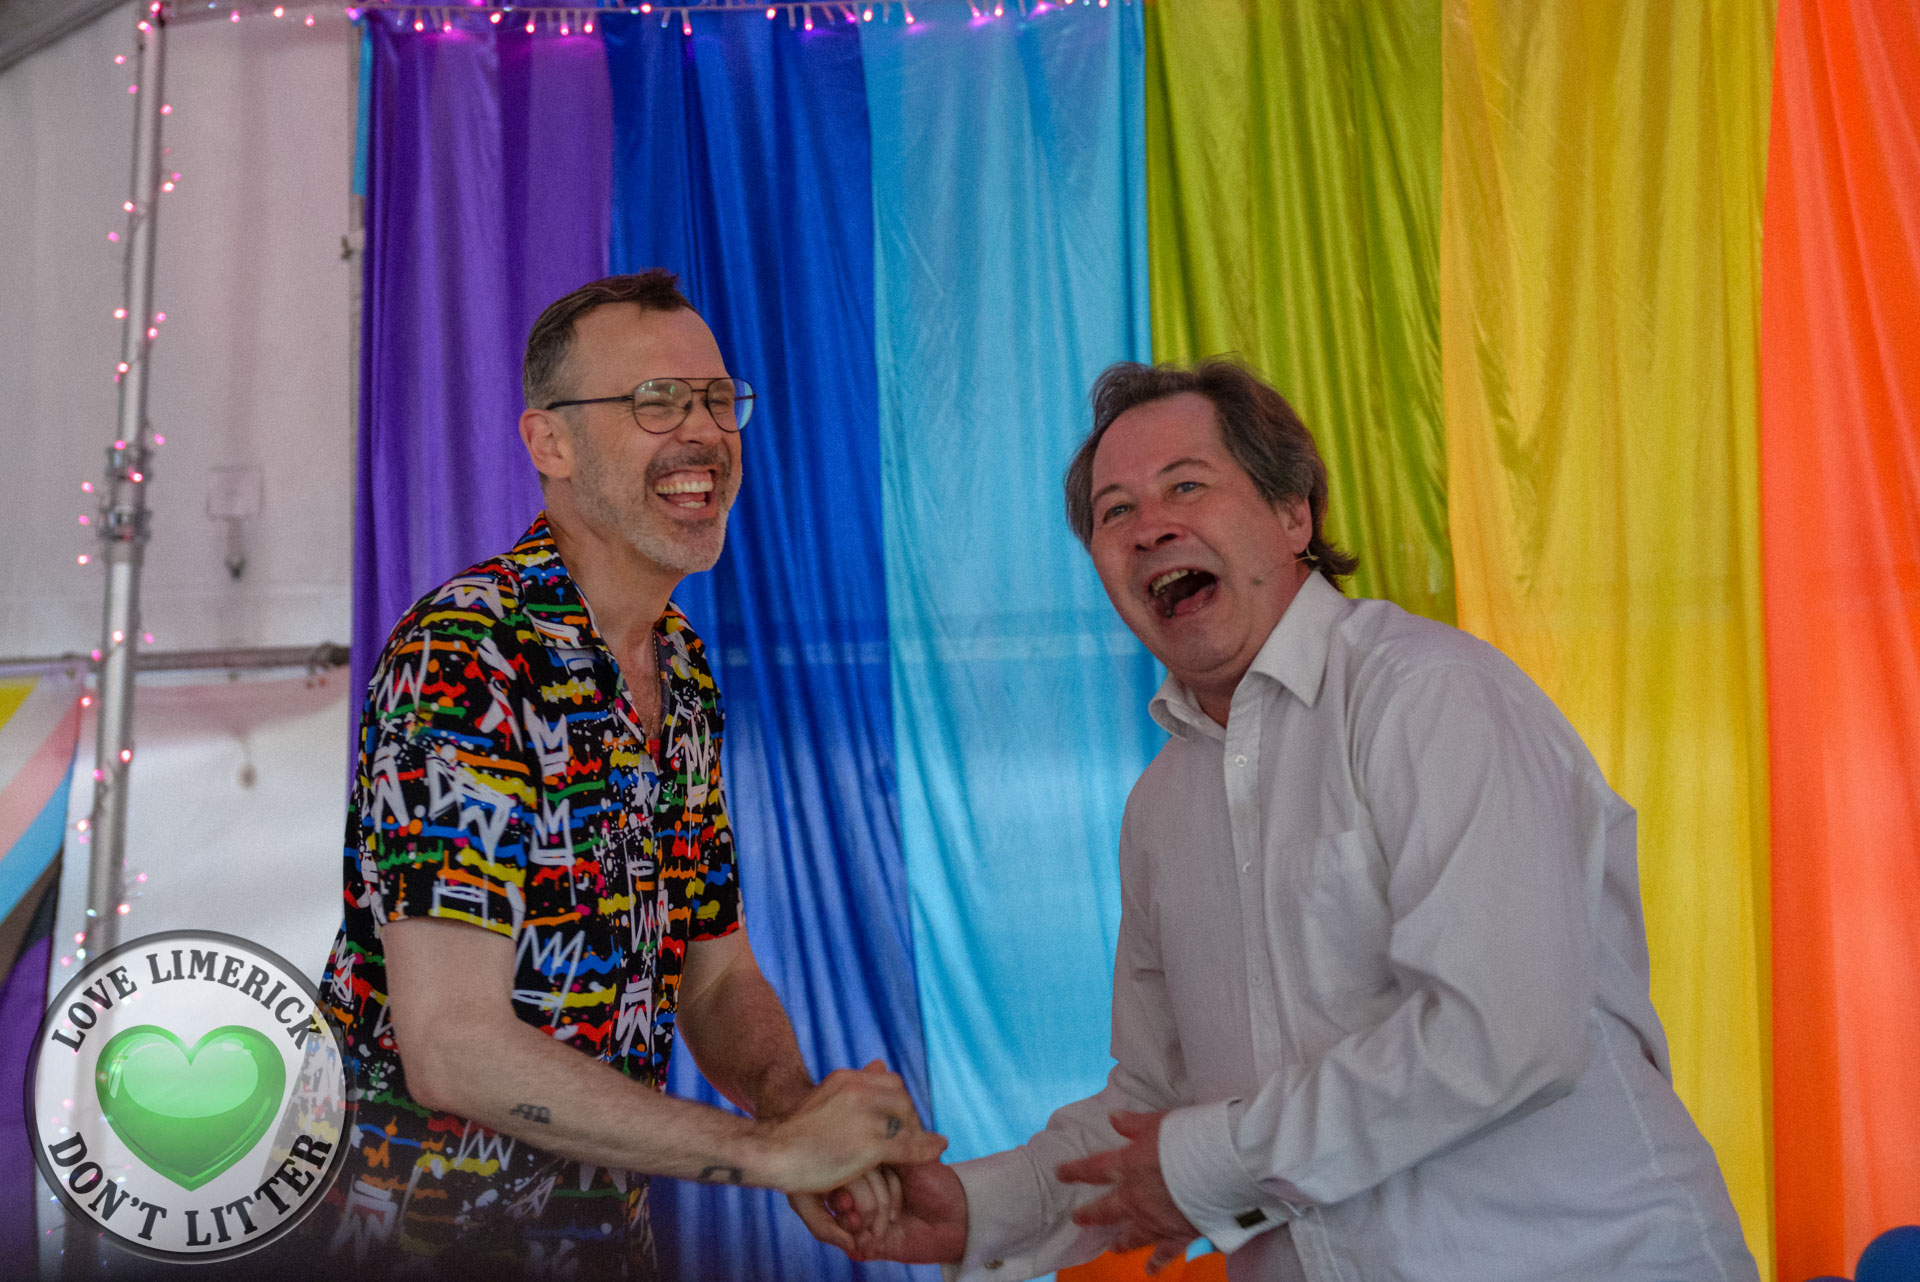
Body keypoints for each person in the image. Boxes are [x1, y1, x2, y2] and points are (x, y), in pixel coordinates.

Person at [825, 360, 1756, 1281]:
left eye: (1186, 486)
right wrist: (977, 1210)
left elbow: (1501, 1031)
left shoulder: (1430, 695)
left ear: (1293, 514)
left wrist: (1208, 1167)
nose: (1151, 527)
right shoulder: (1159, 807)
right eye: (1115, 512)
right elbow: (1156, 1101)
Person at [301, 271, 942, 1280]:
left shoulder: (680, 666)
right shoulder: (469, 654)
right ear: (549, 443)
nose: (704, 433)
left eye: (718, 400)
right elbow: (452, 1046)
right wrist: (765, 1154)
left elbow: (715, 973)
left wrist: (791, 1107)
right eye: (656, 401)